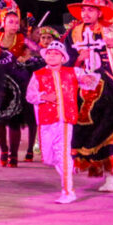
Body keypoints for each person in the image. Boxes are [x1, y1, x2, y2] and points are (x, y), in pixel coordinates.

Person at [63, 0, 113, 192]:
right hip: (83, 88)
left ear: (99, 12)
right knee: (83, 128)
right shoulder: (74, 33)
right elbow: (65, 58)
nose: (86, 14)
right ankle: (84, 167)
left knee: (111, 128)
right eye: (83, 10)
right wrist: (78, 59)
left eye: (90, 10)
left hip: (110, 86)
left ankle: (112, 175)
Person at [26, 41, 84, 204]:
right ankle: (69, 169)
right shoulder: (38, 75)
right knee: (49, 157)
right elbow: (30, 96)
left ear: (63, 57)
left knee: (62, 154)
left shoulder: (72, 73)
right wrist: (44, 97)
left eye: (56, 53)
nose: (52, 56)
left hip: (64, 120)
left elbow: (91, 81)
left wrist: (87, 72)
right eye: (49, 53)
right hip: (46, 120)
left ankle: (68, 191)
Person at [0, 0, 40, 167]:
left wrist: (25, 56)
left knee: (14, 120)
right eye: (10, 22)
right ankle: (4, 150)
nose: (14, 25)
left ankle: (13, 154)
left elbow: (36, 50)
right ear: (3, 23)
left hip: (17, 83)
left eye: (16, 22)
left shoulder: (22, 38)